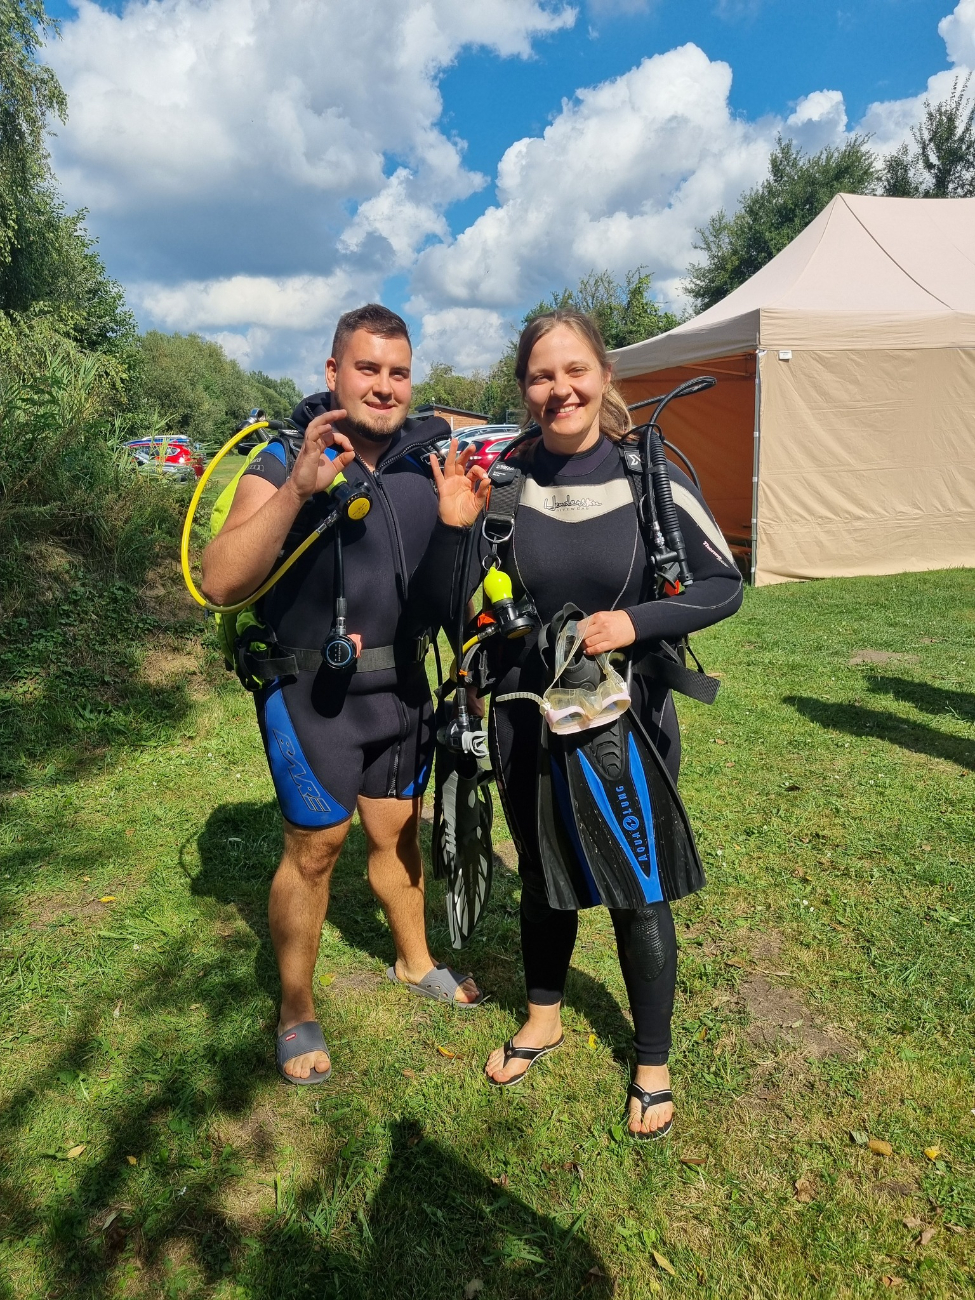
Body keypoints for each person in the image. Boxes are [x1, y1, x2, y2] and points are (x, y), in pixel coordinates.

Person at [425, 310, 742, 1136]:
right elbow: (447, 607)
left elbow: (723, 586)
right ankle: (542, 1017)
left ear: (603, 375)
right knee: (540, 874)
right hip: (525, 719)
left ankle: (652, 1059)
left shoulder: (649, 476)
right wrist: (453, 530)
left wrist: (634, 622)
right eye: (541, 375)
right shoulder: (504, 484)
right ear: (523, 389)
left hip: (623, 723)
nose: (559, 389)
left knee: (639, 887)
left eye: (574, 371)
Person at [201, 304, 484, 1086]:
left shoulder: (426, 465)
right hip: (310, 692)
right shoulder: (285, 456)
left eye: (398, 372)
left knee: (399, 834)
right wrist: (296, 489)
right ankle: (295, 1006)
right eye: (367, 368)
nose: (384, 386)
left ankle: (414, 959)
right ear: (333, 373)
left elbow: (445, 597)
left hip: (402, 690)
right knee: (316, 849)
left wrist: (457, 528)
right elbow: (219, 579)